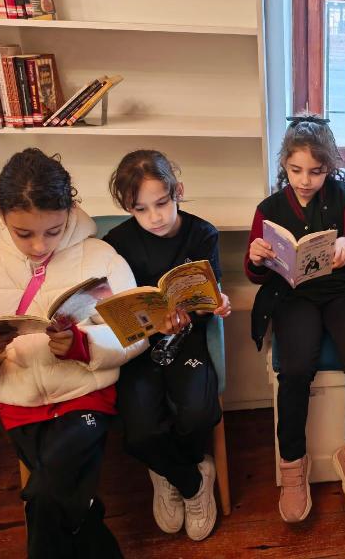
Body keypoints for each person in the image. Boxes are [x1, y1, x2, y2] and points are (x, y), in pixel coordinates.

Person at [0, 148, 146, 557]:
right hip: (18, 400)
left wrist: (82, 345)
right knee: (61, 497)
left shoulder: (101, 257)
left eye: (53, 231)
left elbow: (136, 333)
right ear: (0, 214)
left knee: (45, 494)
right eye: (24, 234)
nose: (39, 245)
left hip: (84, 395)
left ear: (71, 210)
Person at [245, 114, 345, 521]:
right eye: (296, 170)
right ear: (284, 165)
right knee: (295, 368)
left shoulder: (344, 197)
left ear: (329, 168)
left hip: (339, 291)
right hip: (294, 295)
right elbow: (255, 273)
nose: (305, 180)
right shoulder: (269, 208)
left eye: (316, 172)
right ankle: (293, 466)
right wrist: (256, 258)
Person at [104, 150, 231, 541]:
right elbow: (114, 307)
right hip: (140, 347)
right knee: (139, 431)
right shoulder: (116, 242)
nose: (155, 217)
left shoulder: (202, 234)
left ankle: (176, 467)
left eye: (162, 203)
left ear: (178, 191)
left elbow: (210, 297)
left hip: (188, 339)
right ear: (128, 207)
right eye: (141, 209)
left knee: (197, 412)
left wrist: (216, 304)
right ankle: (187, 478)